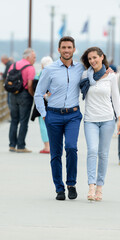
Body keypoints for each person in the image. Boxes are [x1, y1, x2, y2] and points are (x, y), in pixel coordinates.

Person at [34, 36, 85, 201]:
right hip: (53, 115)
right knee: (55, 154)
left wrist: (108, 70)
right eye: (63, 47)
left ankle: (71, 184)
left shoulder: (80, 68)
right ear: (59, 49)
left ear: (74, 49)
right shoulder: (50, 69)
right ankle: (59, 188)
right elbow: (38, 93)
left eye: (69, 47)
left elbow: (97, 70)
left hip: (73, 115)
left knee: (71, 148)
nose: (66, 50)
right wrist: (44, 114)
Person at [80, 47, 120, 201]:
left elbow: (116, 98)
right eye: (89, 59)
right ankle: (91, 185)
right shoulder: (85, 75)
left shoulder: (111, 76)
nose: (92, 61)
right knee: (92, 150)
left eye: (95, 58)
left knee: (103, 154)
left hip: (107, 120)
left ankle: (99, 187)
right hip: (90, 119)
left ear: (102, 57)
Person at [8, 48, 36, 153]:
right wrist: (32, 95)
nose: (35, 59)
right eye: (34, 57)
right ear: (28, 57)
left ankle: (12, 145)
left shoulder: (13, 65)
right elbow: (29, 85)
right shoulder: (30, 68)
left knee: (14, 120)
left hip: (13, 95)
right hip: (24, 95)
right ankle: (21, 146)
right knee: (24, 121)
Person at [31, 56, 53, 153]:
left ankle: (47, 147)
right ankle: (53, 146)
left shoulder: (39, 74)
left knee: (44, 125)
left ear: (42, 65)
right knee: (54, 125)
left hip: (42, 103)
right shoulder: (55, 73)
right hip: (54, 103)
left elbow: (34, 88)